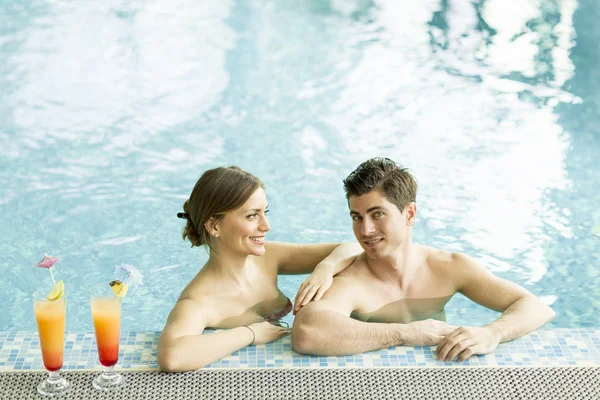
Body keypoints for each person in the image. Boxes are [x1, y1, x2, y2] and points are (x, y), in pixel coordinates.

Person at [292, 158, 555, 362]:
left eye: (377, 214)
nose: (365, 230)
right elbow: (307, 333)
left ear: (410, 213)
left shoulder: (447, 268)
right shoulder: (351, 281)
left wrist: (492, 333)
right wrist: (404, 334)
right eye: (357, 217)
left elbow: (536, 307)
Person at [157, 166, 360, 372]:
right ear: (214, 226)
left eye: (265, 212)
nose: (266, 225)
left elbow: (353, 248)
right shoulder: (199, 301)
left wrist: (324, 269)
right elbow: (172, 357)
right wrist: (250, 334)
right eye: (252, 216)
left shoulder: (268, 257)